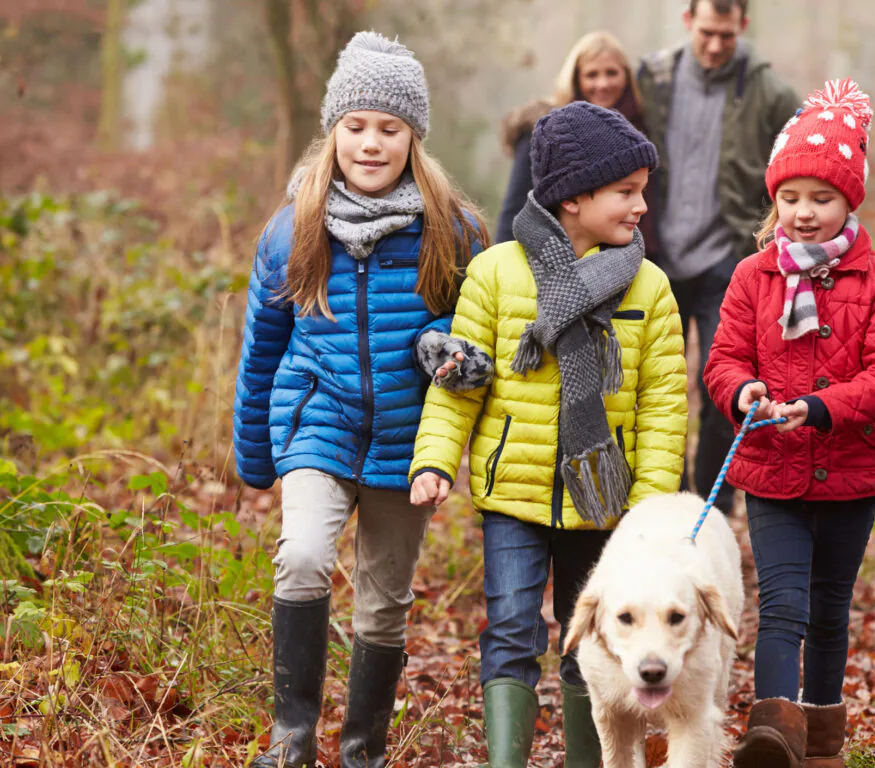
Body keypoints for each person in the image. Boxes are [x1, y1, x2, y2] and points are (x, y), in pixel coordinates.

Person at [232, 31, 491, 768]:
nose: (370, 144)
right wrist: (255, 457)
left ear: (414, 138)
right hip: (318, 420)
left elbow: (481, 335)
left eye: (389, 129)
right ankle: (291, 737)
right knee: (304, 557)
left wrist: (451, 349)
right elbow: (262, 349)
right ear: (333, 130)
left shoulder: (455, 230)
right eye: (355, 127)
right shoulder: (293, 230)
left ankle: (362, 748)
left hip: (409, 441)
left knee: (383, 600)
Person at [408, 102, 687, 768]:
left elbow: (664, 406)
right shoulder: (497, 274)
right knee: (509, 629)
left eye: (642, 191)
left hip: (606, 506)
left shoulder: (648, 287)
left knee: (593, 637)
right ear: (573, 198)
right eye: (626, 192)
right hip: (514, 496)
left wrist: (651, 508)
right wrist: (435, 461)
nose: (642, 206)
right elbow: (459, 381)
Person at [702, 79, 875, 768]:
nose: (802, 214)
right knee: (784, 604)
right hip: (772, 472)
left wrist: (821, 407)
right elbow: (723, 359)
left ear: (848, 200)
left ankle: (821, 746)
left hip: (850, 473)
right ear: (774, 201)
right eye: (790, 199)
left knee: (828, 611)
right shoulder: (751, 278)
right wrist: (744, 393)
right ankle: (774, 735)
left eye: (820, 199)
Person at [637, 0, 801, 513]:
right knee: (651, 386)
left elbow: (802, 162)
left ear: (743, 28)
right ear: (688, 22)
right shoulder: (653, 81)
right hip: (653, 257)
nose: (714, 45)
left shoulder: (769, 93)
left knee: (721, 387)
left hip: (725, 262)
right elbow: (599, 106)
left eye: (726, 36)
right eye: (706, 32)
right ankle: (665, 497)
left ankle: (709, 502)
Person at [495, 30, 656, 257]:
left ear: (626, 77)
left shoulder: (644, 131)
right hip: (555, 255)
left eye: (612, 73)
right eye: (592, 74)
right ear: (575, 78)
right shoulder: (545, 133)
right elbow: (515, 206)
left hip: (637, 253)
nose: (602, 84)